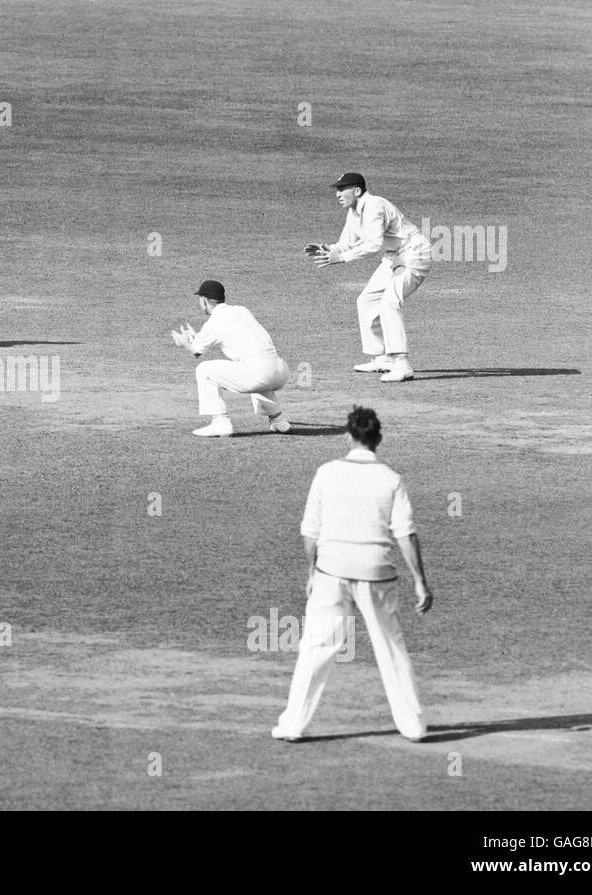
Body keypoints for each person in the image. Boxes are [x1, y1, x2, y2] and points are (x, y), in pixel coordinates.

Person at [272, 405, 434, 742]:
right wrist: (420, 581)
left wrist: (312, 572)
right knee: (391, 648)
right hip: (377, 573)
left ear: (348, 436)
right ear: (379, 439)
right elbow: (405, 534)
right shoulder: (391, 479)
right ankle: (414, 726)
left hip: (331, 570)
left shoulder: (326, 472)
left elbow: (310, 532)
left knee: (316, 647)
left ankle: (292, 727)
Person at [304, 172, 432, 382]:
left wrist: (341, 258)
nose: (338, 194)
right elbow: (346, 243)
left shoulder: (374, 206)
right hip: (394, 256)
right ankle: (383, 358)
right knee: (367, 300)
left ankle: (402, 364)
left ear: (357, 191)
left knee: (390, 302)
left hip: (414, 254)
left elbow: (372, 245)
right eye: (337, 190)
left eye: (342, 189)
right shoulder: (353, 213)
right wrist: (327, 249)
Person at [170, 280, 292, 437]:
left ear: (204, 300)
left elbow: (196, 352)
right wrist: (196, 338)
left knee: (204, 370)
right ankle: (278, 421)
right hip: (280, 371)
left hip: (260, 374)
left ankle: (220, 422)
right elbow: (232, 334)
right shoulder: (242, 311)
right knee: (251, 369)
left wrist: (184, 342)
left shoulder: (214, 322)